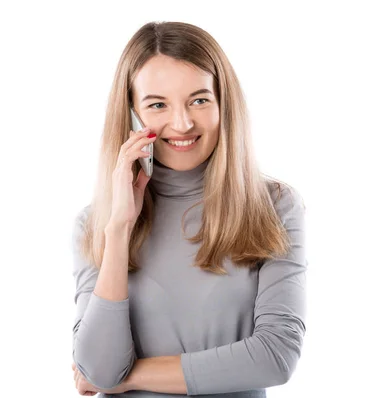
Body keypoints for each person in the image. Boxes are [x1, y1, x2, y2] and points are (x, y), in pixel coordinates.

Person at [71, 21, 307, 397]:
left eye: (199, 100)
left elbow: (275, 356)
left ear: (222, 104)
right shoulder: (96, 222)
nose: (182, 123)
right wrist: (118, 230)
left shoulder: (273, 206)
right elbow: (99, 366)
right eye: (157, 104)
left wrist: (128, 376)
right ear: (131, 114)